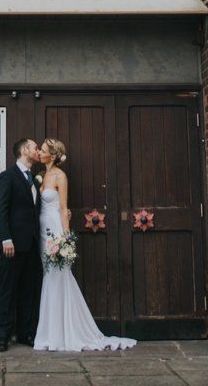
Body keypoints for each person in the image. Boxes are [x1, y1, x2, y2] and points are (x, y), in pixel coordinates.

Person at [33, 138, 134, 352]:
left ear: (52, 155)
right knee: (48, 276)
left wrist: (66, 239)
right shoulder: (41, 176)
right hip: (43, 232)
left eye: (42, 150)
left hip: (55, 231)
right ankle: (51, 332)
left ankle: (64, 333)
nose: (39, 153)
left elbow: (63, 208)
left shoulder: (60, 176)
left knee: (58, 276)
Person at [0, 136, 44, 352]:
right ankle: (2, 336)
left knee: (28, 290)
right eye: (35, 147)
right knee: (7, 290)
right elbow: (1, 209)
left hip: (31, 244)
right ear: (24, 150)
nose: (38, 150)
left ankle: (24, 333)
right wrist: (6, 238)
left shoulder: (34, 178)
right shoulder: (7, 177)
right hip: (11, 245)